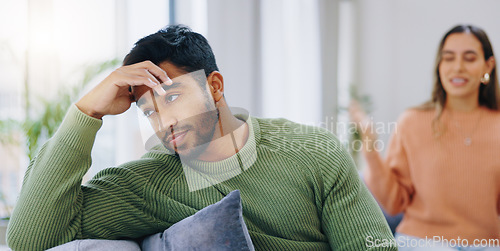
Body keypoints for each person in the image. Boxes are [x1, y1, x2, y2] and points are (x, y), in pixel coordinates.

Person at [7, 25, 396, 250]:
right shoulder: (150, 182)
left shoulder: (314, 151)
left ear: (214, 86)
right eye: (148, 111)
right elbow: (29, 239)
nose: (163, 122)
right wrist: (85, 113)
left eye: (172, 97)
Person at [350, 24, 500, 250]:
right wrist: (370, 148)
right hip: (422, 241)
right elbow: (393, 203)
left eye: (469, 58)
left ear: (488, 65)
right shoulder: (412, 121)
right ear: (440, 65)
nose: (457, 67)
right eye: (448, 58)